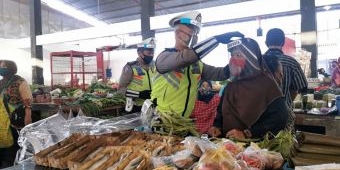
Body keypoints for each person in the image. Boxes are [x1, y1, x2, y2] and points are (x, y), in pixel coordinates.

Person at [150, 11, 244, 120]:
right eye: (189, 27)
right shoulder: (164, 58)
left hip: (183, 123)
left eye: (195, 30)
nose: (193, 34)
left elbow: (221, 74)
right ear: (177, 33)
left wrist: (238, 59)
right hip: (161, 121)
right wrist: (216, 40)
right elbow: (186, 58)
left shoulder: (197, 64)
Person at [208, 38, 289, 140]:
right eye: (232, 55)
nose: (233, 60)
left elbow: (279, 119)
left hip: (254, 150)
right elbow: (221, 113)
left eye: (238, 55)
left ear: (252, 59)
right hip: (226, 147)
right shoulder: (230, 86)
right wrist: (217, 127)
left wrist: (247, 134)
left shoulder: (267, 85)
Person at [263, 28, 308, 108]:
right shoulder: (291, 62)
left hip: (260, 114)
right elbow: (302, 87)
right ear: (283, 43)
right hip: (284, 113)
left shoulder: (257, 62)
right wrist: (287, 102)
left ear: (266, 43)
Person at [0, 60, 33, 168]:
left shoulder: (20, 82)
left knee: (16, 146)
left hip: (15, 119)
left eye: (2, 66)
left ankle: (16, 166)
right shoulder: (2, 82)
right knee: (3, 145)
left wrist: (28, 116)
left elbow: (27, 100)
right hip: (2, 120)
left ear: (10, 68)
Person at [117, 37, 156, 113]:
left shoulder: (155, 66)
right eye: (148, 53)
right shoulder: (130, 67)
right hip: (136, 108)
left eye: (152, 53)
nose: (151, 56)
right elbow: (120, 90)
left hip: (152, 107)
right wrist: (139, 94)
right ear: (139, 53)